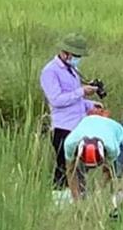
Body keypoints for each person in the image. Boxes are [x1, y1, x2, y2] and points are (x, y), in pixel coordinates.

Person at [39, 33, 100, 191]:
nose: (78, 59)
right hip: (62, 128)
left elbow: (74, 100)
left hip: (78, 126)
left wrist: (90, 104)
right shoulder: (50, 71)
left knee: (79, 169)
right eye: (76, 55)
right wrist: (82, 92)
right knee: (63, 168)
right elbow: (56, 100)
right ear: (65, 53)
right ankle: (59, 199)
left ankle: (78, 200)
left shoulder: (72, 69)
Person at [63, 108, 123, 201]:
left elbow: (108, 169)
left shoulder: (112, 147)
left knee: (118, 172)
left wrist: (99, 190)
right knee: (78, 175)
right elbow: (70, 171)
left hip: (117, 134)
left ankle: (116, 196)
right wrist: (76, 198)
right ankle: (82, 195)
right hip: (88, 124)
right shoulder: (70, 143)